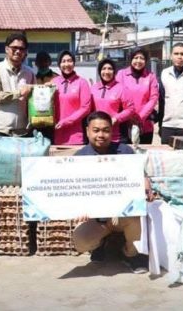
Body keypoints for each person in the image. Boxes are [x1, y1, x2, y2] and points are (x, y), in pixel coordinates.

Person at [72, 111, 153, 274]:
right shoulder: (78, 158)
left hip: (120, 215)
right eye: (96, 130)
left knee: (136, 216)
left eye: (106, 130)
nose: (101, 135)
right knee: (81, 241)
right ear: (87, 131)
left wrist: (145, 181)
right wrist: (77, 208)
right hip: (95, 218)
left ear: (112, 131)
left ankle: (130, 254)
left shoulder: (125, 152)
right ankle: (100, 244)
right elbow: (72, 192)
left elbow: (140, 175)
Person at [0, 33, 35, 137]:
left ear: (25, 52)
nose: (18, 51)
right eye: (14, 48)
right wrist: (19, 93)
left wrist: (46, 88)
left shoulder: (30, 73)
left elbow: (34, 99)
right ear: (6, 49)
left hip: (23, 130)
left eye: (21, 49)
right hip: (0, 131)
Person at [116, 47, 159, 144]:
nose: (138, 61)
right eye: (135, 58)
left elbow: (153, 98)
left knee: (142, 155)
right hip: (125, 123)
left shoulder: (150, 76)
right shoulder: (121, 74)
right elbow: (118, 95)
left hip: (145, 124)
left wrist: (140, 117)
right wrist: (129, 117)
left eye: (142, 58)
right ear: (131, 59)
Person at [90, 58, 135, 143]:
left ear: (114, 72)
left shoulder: (122, 88)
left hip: (117, 137)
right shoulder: (93, 89)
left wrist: (116, 118)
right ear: (99, 71)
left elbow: (130, 109)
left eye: (110, 69)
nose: (106, 72)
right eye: (103, 69)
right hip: (98, 137)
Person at [51, 50, 91, 145]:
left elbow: (86, 108)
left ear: (74, 63)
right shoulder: (53, 82)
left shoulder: (82, 82)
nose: (67, 64)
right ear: (59, 64)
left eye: (69, 61)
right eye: (63, 61)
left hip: (76, 134)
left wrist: (66, 121)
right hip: (56, 132)